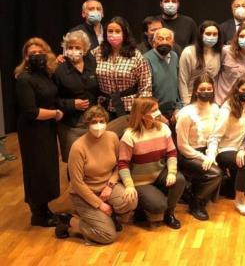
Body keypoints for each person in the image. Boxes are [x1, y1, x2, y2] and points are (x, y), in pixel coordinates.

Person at [55, 106, 137, 243]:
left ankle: (109, 218)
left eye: (101, 121)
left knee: (131, 200)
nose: (98, 125)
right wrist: (100, 204)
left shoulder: (112, 138)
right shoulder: (78, 147)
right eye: (94, 122)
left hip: (107, 187)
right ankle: (70, 221)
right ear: (87, 124)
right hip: (84, 194)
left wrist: (110, 185)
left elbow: (119, 165)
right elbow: (77, 183)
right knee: (107, 235)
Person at [15, 37, 63, 227]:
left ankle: (45, 209)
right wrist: (56, 113)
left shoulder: (45, 74)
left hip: (47, 127)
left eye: (39, 52)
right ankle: (38, 213)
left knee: (48, 167)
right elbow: (30, 111)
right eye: (32, 54)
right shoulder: (23, 78)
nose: (36, 56)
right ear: (25, 57)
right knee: (37, 169)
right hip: (33, 130)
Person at [118, 97, 186, 229]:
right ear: (142, 115)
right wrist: (129, 185)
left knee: (179, 179)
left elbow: (171, 153)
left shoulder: (164, 129)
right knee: (158, 205)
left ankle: (169, 214)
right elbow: (123, 164)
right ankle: (142, 208)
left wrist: (171, 172)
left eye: (157, 109)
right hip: (140, 181)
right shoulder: (129, 135)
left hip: (158, 173)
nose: (158, 113)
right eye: (154, 110)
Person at [207, 76, 245, 215]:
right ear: (237, 89)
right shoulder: (227, 108)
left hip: (240, 150)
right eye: (244, 90)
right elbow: (215, 136)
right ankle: (240, 201)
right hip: (224, 149)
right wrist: (211, 156)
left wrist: (242, 149)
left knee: (232, 188)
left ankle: (229, 187)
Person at [175, 75, 222, 221]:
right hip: (188, 155)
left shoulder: (215, 108)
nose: (206, 91)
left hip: (208, 151)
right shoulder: (186, 114)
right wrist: (202, 157)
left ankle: (194, 194)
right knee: (216, 174)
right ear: (196, 91)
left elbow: (215, 136)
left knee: (219, 165)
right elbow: (182, 146)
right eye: (202, 89)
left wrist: (211, 155)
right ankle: (195, 202)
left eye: (209, 89)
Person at [53, 30, 100, 163]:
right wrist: (71, 104)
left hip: (92, 122)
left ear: (85, 49)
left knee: (93, 160)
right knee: (74, 162)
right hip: (70, 125)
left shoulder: (93, 65)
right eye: (70, 47)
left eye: (78, 47)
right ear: (65, 49)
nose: (74, 50)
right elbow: (52, 99)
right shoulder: (59, 70)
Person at [92, 16, 152, 119]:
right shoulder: (97, 52)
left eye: (117, 31)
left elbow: (145, 86)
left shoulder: (135, 55)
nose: (113, 34)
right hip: (103, 107)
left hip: (129, 108)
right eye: (110, 31)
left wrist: (141, 110)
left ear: (124, 33)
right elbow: (81, 61)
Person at [215, 24, 245, 105]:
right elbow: (215, 74)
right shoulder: (226, 51)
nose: (244, 39)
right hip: (222, 101)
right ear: (237, 38)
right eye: (241, 36)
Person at [144, 28, 182, 123]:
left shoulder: (174, 56)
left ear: (173, 42)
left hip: (174, 112)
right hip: (154, 114)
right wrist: (157, 114)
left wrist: (178, 108)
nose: (164, 42)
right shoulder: (145, 59)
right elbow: (145, 91)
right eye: (160, 39)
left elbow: (177, 85)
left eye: (168, 39)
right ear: (153, 42)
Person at [179, 20, 222, 104]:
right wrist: (186, 103)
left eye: (215, 34)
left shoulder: (219, 53)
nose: (212, 37)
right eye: (208, 34)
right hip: (191, 99)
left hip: (210, 100)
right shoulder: (189, 52)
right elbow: (183, 80)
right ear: (201, 34)